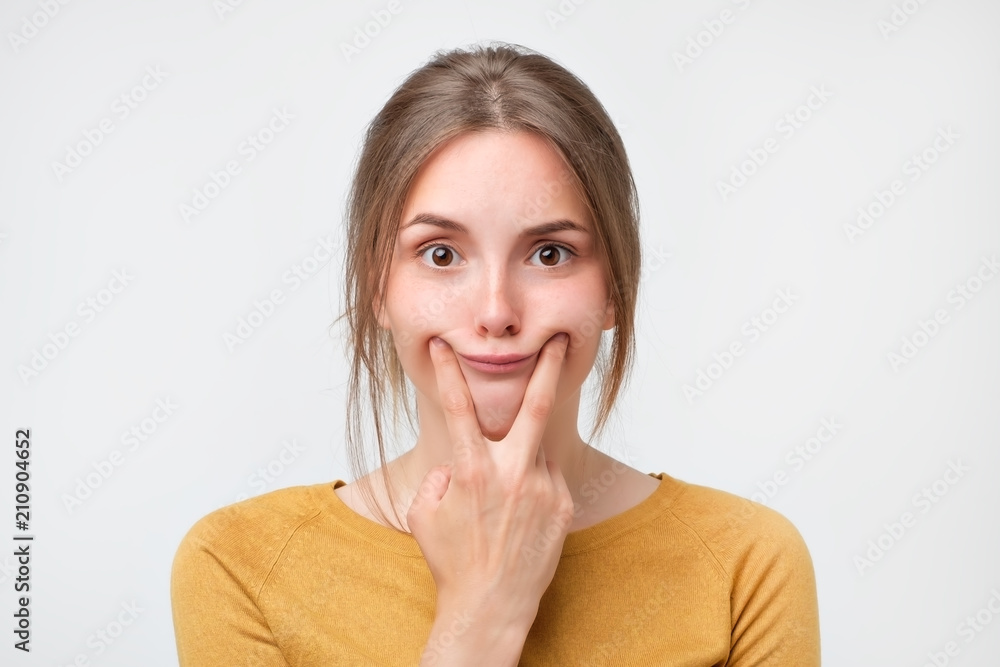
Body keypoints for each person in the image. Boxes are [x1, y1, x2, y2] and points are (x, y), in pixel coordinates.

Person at [170, 42, 821, 665]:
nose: (496, 312)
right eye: (441, 254)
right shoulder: (240, 563)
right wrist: (481, 617)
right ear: (377, 289)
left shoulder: (746, 564)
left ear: (615, 289)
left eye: (549, 254)